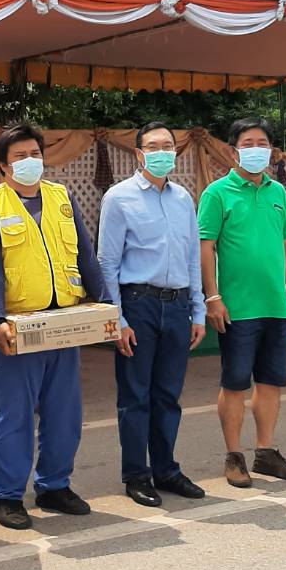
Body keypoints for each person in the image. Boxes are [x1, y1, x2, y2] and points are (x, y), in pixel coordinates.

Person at [0, 123, 106, 530]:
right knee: (14, 416)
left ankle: (54, 486)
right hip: (19, 327)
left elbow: (85, 254)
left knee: (63, 413)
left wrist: (105, 306)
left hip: (64, 322)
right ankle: (7, 495)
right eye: (19, 156)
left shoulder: (61, 197)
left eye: (35, 153)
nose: (30, 161)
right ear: (3, 165)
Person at [98, 122, 208, 507]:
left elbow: (192, 257)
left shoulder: (183, 198)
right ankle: (136, 474)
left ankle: (166, 470)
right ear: (139, 153)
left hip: (177, 305)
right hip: (138, 304)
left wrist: (198, 309)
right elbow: (107, 263)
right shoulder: (119, 198)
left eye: (168, 146)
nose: (162, 153)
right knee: (135, 396)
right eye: (153, 146)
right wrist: (118, 320)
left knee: (168, 395)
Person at [199, 117, 286, 487]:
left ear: (272, 151)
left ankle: (265, 452)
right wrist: (213, 296)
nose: (256, 149)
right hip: (237, 307)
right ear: (233, 150)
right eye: (248, 143)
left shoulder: (278, 193)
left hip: (276, 304)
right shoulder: (217, 193)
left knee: (271, 381)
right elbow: (205, 246)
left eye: (263, 143)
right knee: (235, 384)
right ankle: (234, 456)